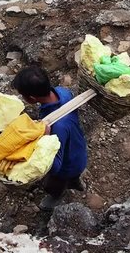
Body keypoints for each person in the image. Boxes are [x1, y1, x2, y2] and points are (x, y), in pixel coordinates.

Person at [12, 66, 87, 211]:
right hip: (78, 149)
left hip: (67, 165)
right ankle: (75, 182)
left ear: (32, 98)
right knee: (73, 175)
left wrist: (45, 140)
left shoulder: (57, 127)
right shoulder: (63, 92)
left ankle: (55, 197)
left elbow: (55, 166)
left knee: (52, 185)